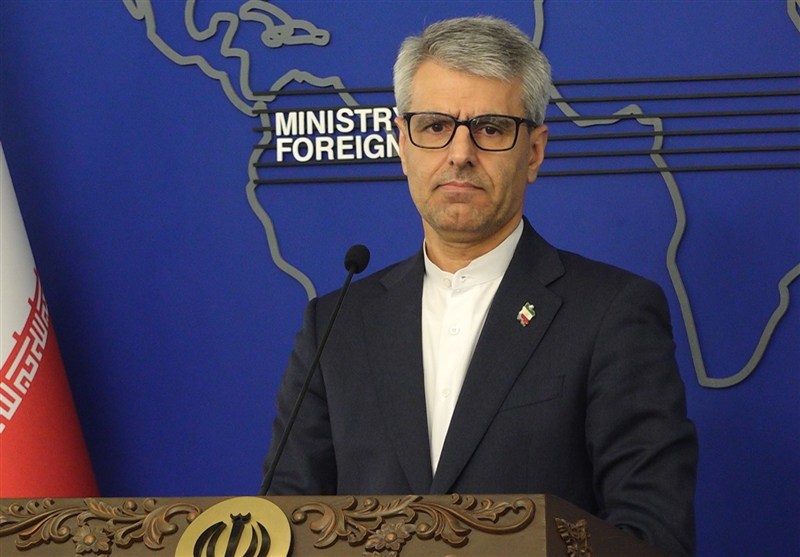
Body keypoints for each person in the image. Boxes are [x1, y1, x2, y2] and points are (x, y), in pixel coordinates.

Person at [264, 16, 697, 557]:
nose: (460, 153)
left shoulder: (611, 313)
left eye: (491, 129)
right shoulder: (335, 325)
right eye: (434, 126)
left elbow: (651, 535)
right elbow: (281, 526)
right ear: (402, 145)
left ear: (534, 152)